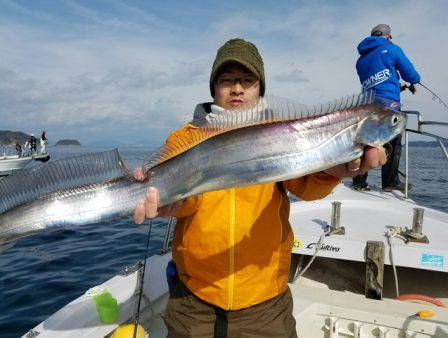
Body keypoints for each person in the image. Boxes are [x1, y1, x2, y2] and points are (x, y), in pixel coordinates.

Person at [134, 38, 387, 337]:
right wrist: (171, 202)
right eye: (227, 80)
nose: (237, 88)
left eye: (248, 80)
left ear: (260, 88)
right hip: (194, 301)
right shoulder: (185, 138)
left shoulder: (283, 131)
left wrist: (341, 168)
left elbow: (307, 187)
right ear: (214, 87)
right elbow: (187, 199)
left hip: (265, 303)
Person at [352, 24, 420, 192]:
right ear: (387, 36)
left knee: (366, 140)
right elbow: (411, 75)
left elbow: (377, 81)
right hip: (388, 104)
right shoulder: (392, 49)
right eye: (390, 36)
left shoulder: (360, 61)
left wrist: (400, 87)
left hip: (367, 104)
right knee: (395, 139)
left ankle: (358, 180)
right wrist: (414, 81)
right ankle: (390, 182)